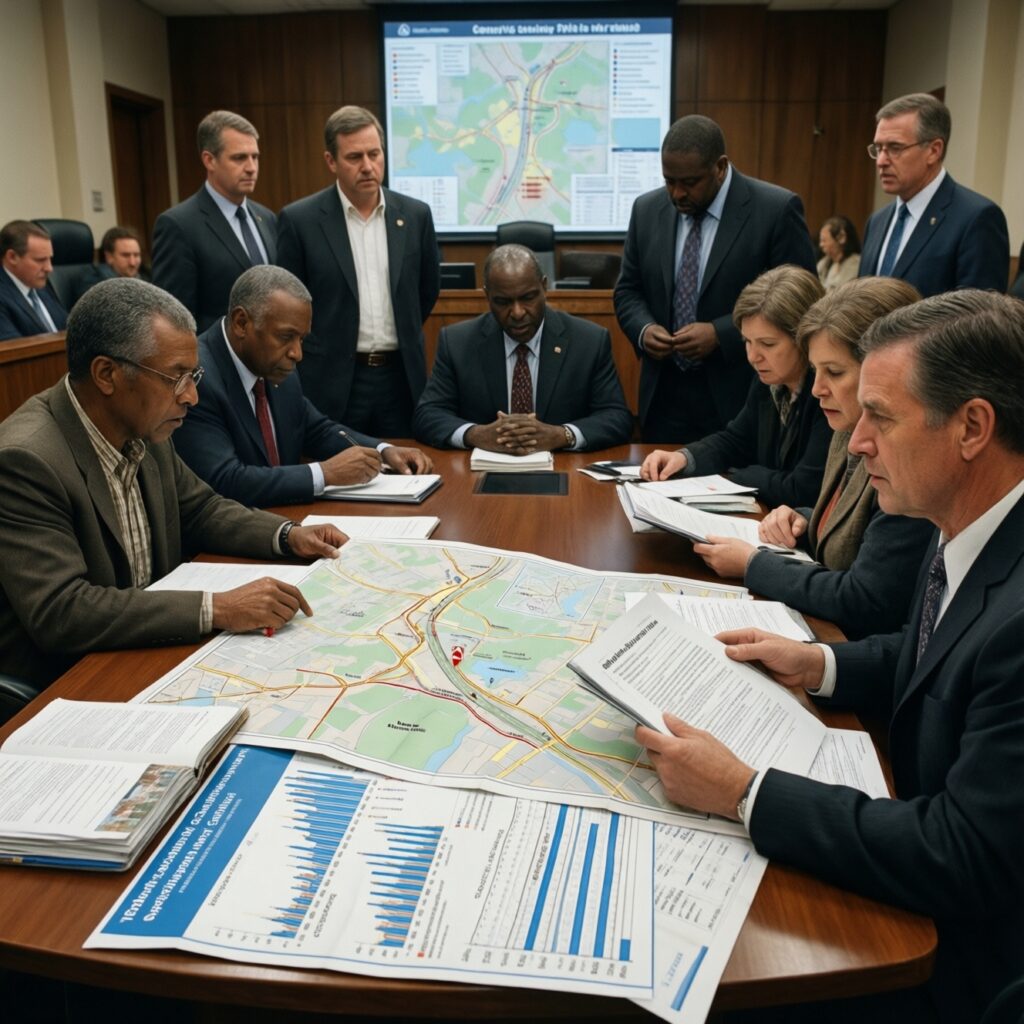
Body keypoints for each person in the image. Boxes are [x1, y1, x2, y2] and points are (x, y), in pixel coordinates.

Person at [636, 290, 1024, 1024]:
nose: (858, 441)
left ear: (972, 427)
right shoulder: (965, 522)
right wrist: (820, 664)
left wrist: (744, 792)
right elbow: (937, 658)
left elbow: (962, 855)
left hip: (959, 960)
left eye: (881, 416)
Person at [0, 278, 346, 689]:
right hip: (69, 682)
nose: (191, 397)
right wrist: (216, 608)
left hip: (149, 650)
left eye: (194, 375)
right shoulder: (26, 460)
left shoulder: (144, 426)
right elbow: (62, 611)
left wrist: (288, 535)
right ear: (107, 374)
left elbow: (201, 509)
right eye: (176, 377)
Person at [692, 277, 934, 639]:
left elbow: (867, 600)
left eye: (834, 372)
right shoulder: (844, 427)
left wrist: (755, 565)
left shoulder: (910, 463)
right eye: (815, 370)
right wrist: (805, 519)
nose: (817, 389)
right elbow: (848, 526)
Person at [614, 115, 817, 443]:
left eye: (690, 182)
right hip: (664, 395)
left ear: (720, 167)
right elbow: (628, 290)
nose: (677, 193)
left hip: (741, 393)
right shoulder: (646, 209)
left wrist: (721, 334)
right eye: (669, 181)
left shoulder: (775, 209)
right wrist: (644, 329)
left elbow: (801, 303)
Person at [174, 266, 433, 507]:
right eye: (286, 337)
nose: (297, 353)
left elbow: (316, 429)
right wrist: (325, 473)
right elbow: (223, 480)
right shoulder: (198, 378)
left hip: (286, 520)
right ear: (241, 323)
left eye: (301, 339)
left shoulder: (275, 366)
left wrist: (383, 451)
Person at [277, 105, 441, 437]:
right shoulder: (300, 221)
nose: (367, 166)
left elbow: (427, 290)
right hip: (332, 380)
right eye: (354, 157)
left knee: (407, 461)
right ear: (331, 161)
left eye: (374, 154)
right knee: (339, 464)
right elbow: (288, 303)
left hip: (400, 378)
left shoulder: (415, 215)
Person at [640, 266, 830, 509]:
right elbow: (736, 440)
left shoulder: (827, 393)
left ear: (804, 338)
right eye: (747, 341)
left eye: (767, 344)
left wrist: (740, 476)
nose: (753, 356)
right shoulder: (768, 379)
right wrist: (683, 458)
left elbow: (802, 490)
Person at [412, 245, 632, 454]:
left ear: (544, 287)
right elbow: (428, 414)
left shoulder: (589, 341)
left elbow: (616, 417)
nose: (517, 313)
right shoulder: (457, 342)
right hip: (481, 470)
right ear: (487, 296)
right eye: (503, 302)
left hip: (563, 468)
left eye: (528, 298)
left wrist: (562, 435)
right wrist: (475, 434)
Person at [859, 92, 1009, 295]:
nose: (881, 161)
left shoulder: (977, 219)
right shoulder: (876, 222)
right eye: (878, 148)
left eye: (895, 148)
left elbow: (980, 312)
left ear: (934, 150)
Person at [152, 110, 277, 332]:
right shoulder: (178, 225)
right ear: (209, 160)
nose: (251, 167)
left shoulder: (267, 218)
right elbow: (175, 320)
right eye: (239, 158)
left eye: (255, 157)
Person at [0, 220, 67, 340]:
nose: (49, 268)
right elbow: (15, 348)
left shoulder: (40, 284)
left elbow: (68, 327)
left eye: (50, 259)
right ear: (12, 257)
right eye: (40, 260)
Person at [816, 215, 860, 291]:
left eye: (824, 240)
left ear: (841, 238)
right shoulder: (824, 263)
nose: (821, 245)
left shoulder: (855, 264)